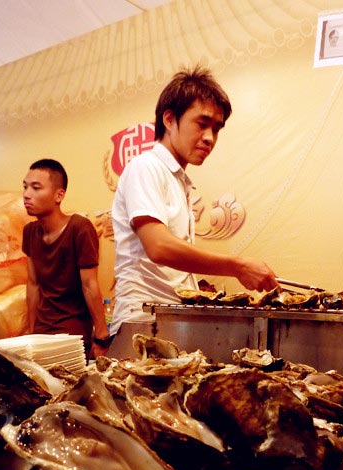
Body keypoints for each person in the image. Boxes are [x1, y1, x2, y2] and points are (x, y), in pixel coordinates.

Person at [109, 66, 278, 336]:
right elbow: (159, 247)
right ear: (169, 119)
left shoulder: (178, 180)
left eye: (217, 129)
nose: (210, 138)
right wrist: (237, 266)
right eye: (202, 124)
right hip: (141, 323)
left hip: (169, 320)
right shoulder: (146, 166)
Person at [22, 158, 111, 358]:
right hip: (42, 331)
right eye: (25, 187)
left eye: (36, 188)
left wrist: (102, 336)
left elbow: (90, 284)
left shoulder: (80, 228)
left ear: (59, 195)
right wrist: (32, 333)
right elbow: (33, 284)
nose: (27, 195)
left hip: (73, 334)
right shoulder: (29, 232)